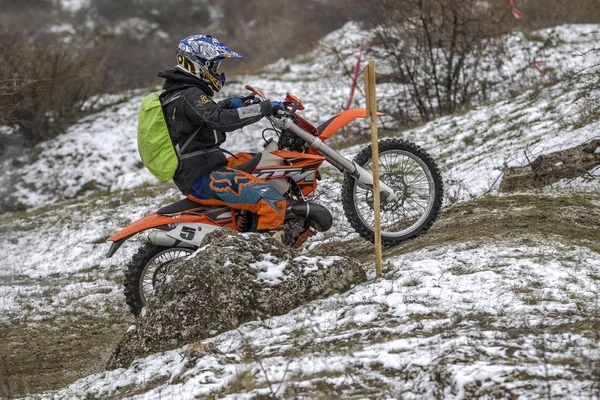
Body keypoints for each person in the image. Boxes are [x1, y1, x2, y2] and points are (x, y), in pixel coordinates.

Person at [158, 34, 287, 234]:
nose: (217, 72)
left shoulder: (182, 92)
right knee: (271, 200)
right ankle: (266, 260)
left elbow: (206, 115)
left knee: (270, 162)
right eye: (214, 66)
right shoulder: (188, 94)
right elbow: (219, 120)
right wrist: (264, 109)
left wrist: (231, 103)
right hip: (203, 177)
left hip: (207, 167)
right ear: (198, 65)